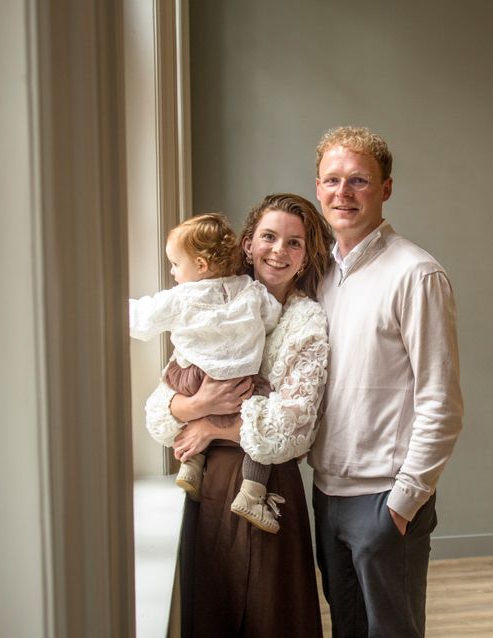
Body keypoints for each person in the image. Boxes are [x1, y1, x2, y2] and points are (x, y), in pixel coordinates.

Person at [143, 194, 333, 637]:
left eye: (294, 243)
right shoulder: (209, 303)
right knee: (213, 614)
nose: (278, 251)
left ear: (306, 258)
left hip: (266, 488)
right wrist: (197, 405)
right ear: (248, 244)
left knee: (271, 618)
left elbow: (292, 430)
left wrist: (210, 426)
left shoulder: (306, 322)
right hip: (207, 484)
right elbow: (158, 411)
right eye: (269, 237)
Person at [309, 126, 464, 638]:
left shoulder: (416, 274)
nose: (343, 193)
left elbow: (441, 402)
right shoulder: (319, 276)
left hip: (384, 500)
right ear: (317, 188)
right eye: (332, 180)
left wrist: (402, 504)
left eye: (359, 180)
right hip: (326, 494)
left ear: (386, 188)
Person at [130, 213, 285, 534]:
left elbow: (141, 321)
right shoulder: (251, 290)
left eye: (175, 264)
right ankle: (253, 493)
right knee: (258, 432)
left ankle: (191, 463)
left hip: (195, 380)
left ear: (200, 265)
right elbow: (272, 318)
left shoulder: (181, 297)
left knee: (174, 373)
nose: (172, 272)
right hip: (245, 384)